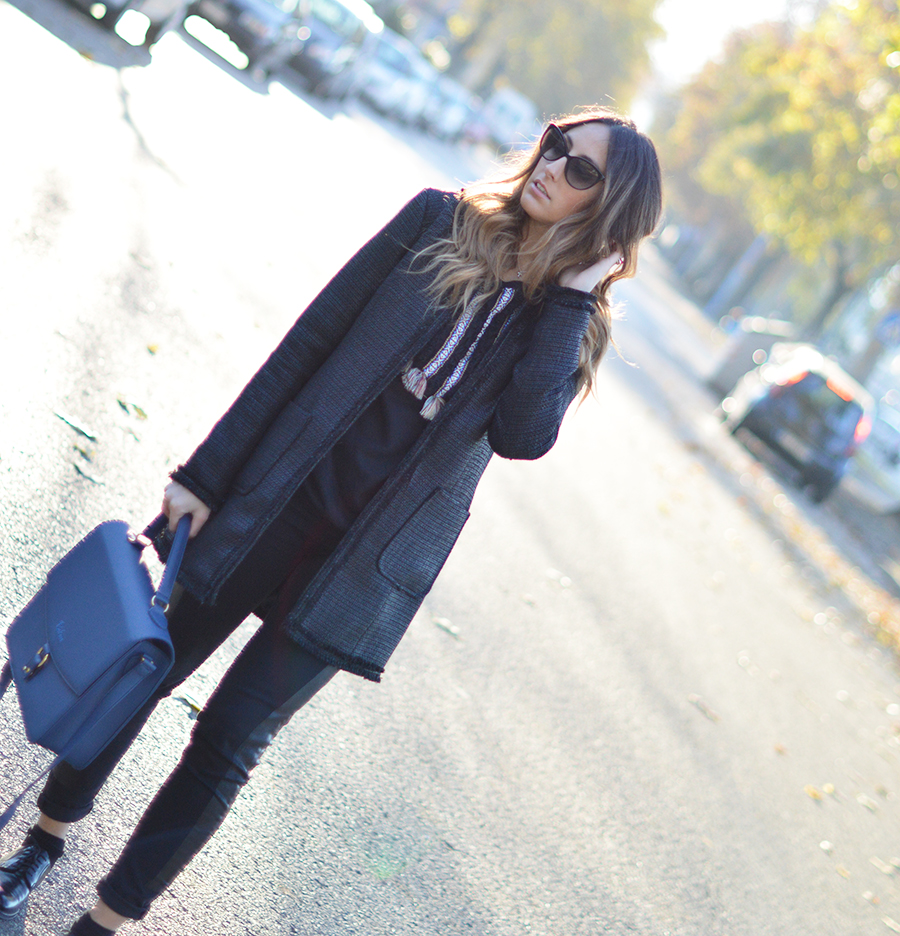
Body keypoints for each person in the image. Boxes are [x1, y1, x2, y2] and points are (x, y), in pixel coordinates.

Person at [0, 106, 662, 934]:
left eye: (581, 170)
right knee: (145, 670)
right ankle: (45, 839)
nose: (553, 166)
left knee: (228, 745)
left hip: (362, 568)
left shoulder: (570, 331)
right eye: (556, 145)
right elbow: (308, 344)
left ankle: (104, 920)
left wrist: (566, 302)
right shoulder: (439, 221)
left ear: (610, 210)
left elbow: (522, 437)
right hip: (274, 501)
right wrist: (206, 475)